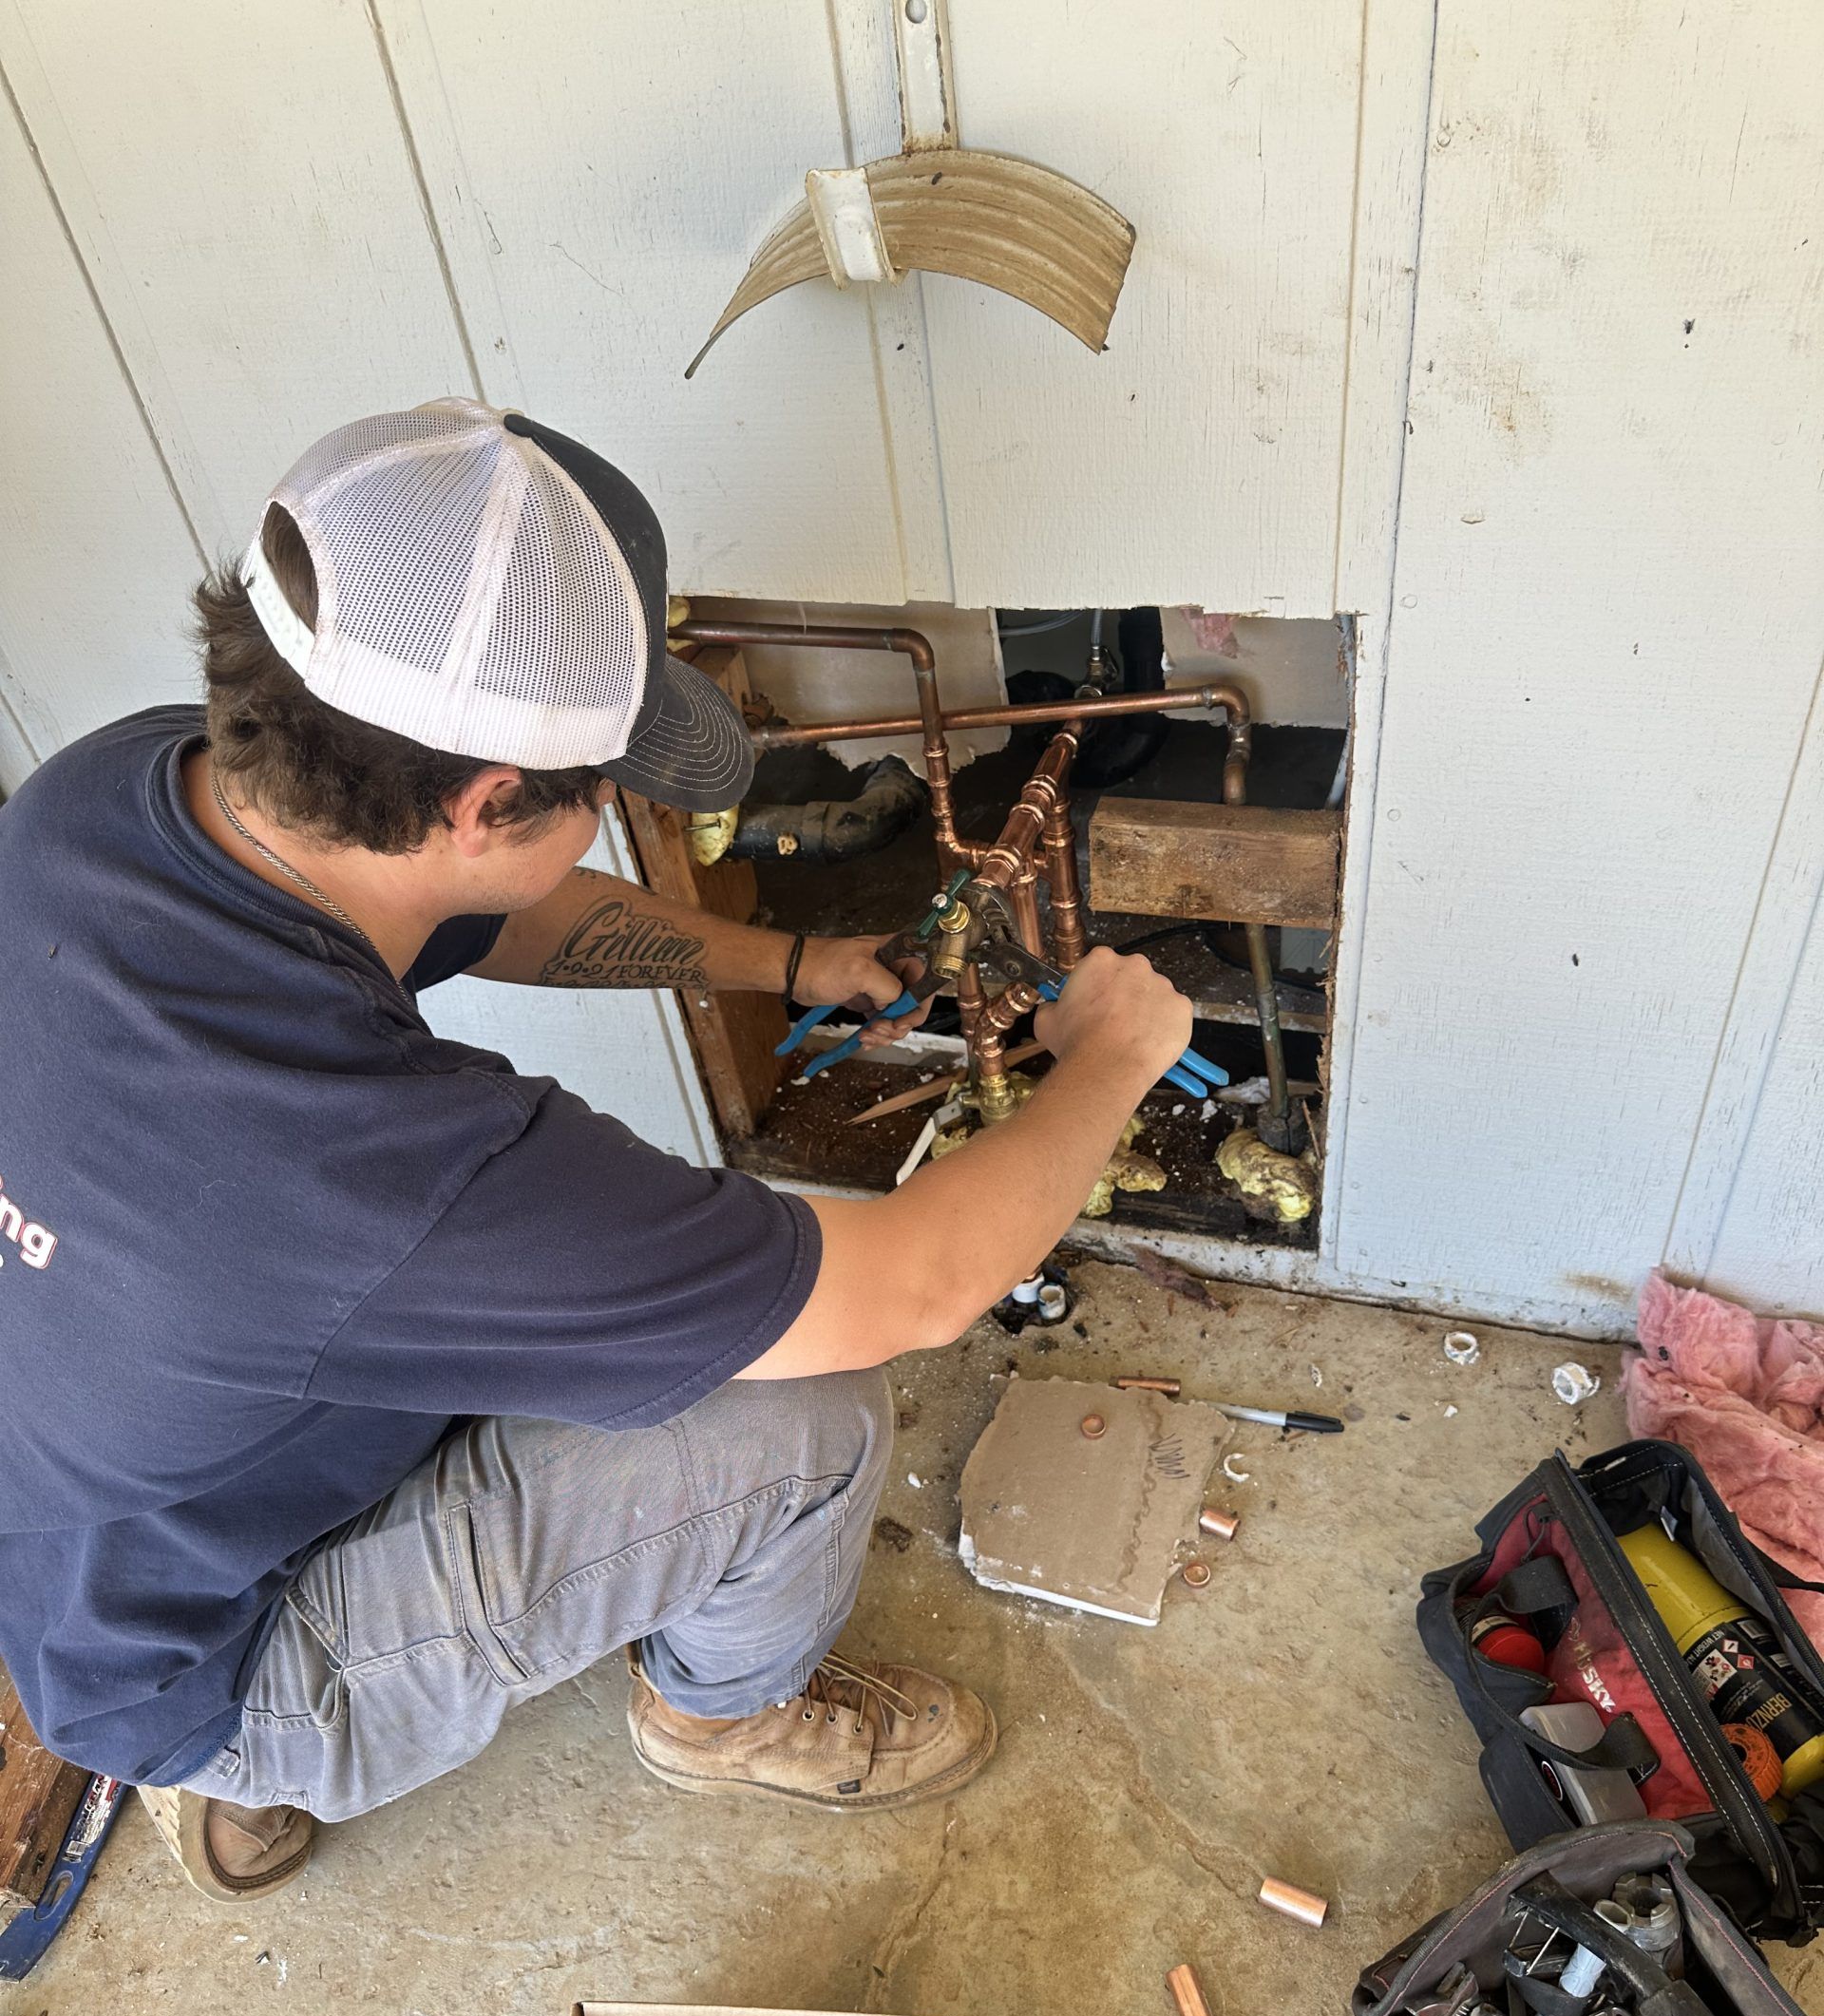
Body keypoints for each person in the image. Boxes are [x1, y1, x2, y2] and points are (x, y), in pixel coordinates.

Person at [0, 399, 1192, 1903]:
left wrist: (793, 961)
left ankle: (226, 1754)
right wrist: (1112, 1060)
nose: (610, 810)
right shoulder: (390, 1175)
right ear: (490, 800)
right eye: (602, 786)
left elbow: (482, 904)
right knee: (808, 1414)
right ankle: (711, 1721)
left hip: (88, 1544)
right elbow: (920, 1286)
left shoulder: (113, 796)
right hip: (216, 1657)